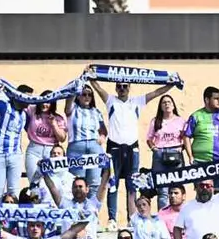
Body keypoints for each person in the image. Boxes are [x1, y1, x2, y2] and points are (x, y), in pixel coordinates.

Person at [87, 69, 175, 228]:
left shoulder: (137, 101)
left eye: (125, 86)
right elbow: (97, 88)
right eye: (119, 86)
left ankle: (132, 219)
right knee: (112, 184)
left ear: (129, 88)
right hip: (113, 147)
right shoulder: (110, 100)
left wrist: (171, 84)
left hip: (132, 147)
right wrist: (91, 75)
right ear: (115, 88)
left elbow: (156, 92)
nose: (122, 89)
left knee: (132, 185)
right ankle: (112, 219)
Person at [64, 83, 108, 197]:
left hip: (94, 148)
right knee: (78, 182)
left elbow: (103, 130)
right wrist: (77, 88)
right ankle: (77, 211)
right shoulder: (73, 109)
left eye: (90, 94)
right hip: (76, 147)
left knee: (94, 183)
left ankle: (91, 211)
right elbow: (68, 105)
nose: (87, 97)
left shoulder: (96, 112)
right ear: (78, 96)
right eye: (84, 94)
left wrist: (102, 137)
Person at [184, 86, 219, 191]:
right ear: (206, 99)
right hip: (200, 162)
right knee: (202, 193)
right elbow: (186, 136)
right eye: (216, 98)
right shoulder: (196, 116)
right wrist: (190, 156)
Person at [145, 94, 186, 209]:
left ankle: (177, 217)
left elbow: (186, 137)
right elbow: (149, 138)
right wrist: (154, 149)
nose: (167, 104)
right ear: (160, 106)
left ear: (173, 105)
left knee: (177, 187)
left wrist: (181, 147)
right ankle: (163, 217)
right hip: (160, 155)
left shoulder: (180, 121)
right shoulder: (155, 121)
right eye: (164, 102)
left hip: (176, 154)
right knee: (162, 189)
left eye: (169, 102)